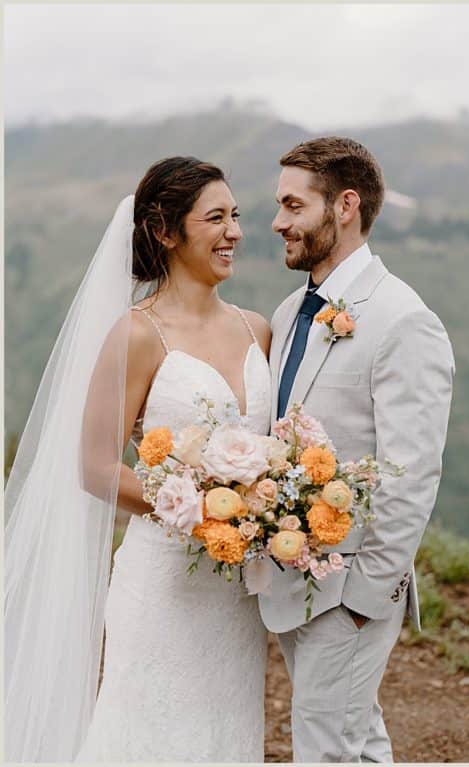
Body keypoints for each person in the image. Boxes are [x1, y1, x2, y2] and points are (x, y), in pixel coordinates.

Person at [5, 157, 273, 761]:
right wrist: (200, 509)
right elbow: (97, 466)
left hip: (235, 592)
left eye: (236, 216)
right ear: (165, 232)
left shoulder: (258, 330)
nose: (234, 232)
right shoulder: (136, 334)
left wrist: (267, 508)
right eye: (215, 218)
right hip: (163, 585)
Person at [260, 137, 455, 762]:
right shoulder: (292, 311)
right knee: (354, 741)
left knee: (326, 747)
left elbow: (411, 472)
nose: (277, 222)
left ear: (344, 206)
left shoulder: (402, 319)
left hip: (350, 588)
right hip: (292, 577)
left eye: (293, 205)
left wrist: (368, 597)